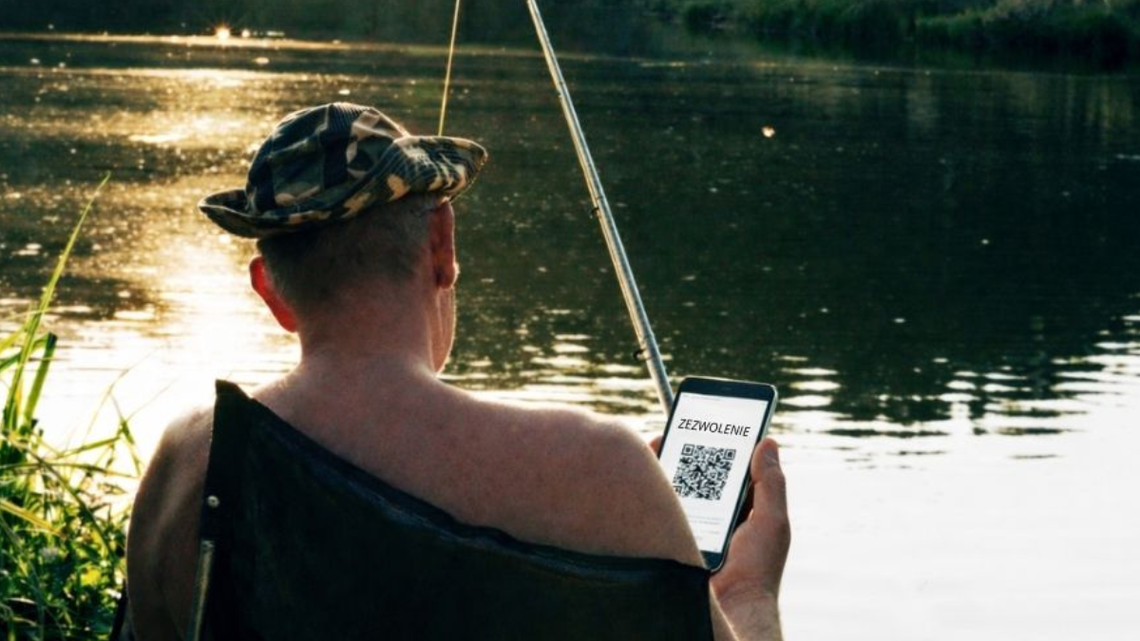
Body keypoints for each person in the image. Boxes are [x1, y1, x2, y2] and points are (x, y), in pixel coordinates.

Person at [125, 103, 790, 640]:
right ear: (441, 245)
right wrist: (748, 592)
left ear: (270, 290)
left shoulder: (186, 462)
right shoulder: (606, 473)